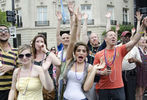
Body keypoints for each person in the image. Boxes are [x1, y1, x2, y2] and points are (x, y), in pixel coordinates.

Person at [93, 17, 147, 100]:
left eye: (115, 35)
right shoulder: (99, 54)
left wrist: (142, 27)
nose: (114, 37)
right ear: (105, 39)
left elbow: (134, 40)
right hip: (103, 88)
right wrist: (102, 73)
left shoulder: (120, 49)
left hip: (118, 87)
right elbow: (94, 70)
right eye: (111, 35)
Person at [62, 12, 105, 100]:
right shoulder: (69, 61)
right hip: (65, 97)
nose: (81, 53)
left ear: (87, 54)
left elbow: (86, 88)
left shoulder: (89, 67)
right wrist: (76, 24)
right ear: (74, 53)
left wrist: (94, 70)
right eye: (78, 50)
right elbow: (72, 42)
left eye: (84, 51)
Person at [31, 34, 61, 100]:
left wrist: (45, 50)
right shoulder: (31, 56)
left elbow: (58, 63)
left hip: (49, 84)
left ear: (45, 44)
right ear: (34, 43)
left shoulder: (48, 54)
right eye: (37, 41)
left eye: (42, 41)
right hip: (36, 85)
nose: (39, 43)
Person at [118, 31, 142, 100]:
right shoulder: (117, 47)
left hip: (131, 75)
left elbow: (140, 64)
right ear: (121, 37)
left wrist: (135, 60)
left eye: (129, 36)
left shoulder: (135, 48)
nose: (127, 38)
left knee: (131, 95)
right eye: (125, 36)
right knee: (121, 95)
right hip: (119, 75)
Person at [0, 25, 19, 100]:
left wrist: (11, 68)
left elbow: (22, 69)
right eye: (0, 31)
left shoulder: (16, 51)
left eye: (5, 31)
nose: (3, 32)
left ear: (9, 34)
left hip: (11, 90)